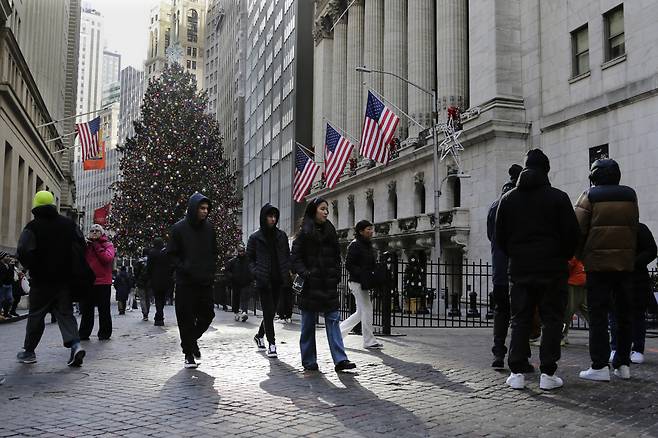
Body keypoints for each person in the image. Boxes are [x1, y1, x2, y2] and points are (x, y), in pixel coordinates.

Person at [495, 149, 580, 390]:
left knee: (520, 319)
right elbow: (573, 235)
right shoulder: (559, 198)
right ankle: (548, 373)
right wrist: (561, 256)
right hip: (552, 269)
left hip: (520, 269)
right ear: (547, 170)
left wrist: (516, 253)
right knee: (552, 320)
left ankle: (517, 372)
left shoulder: (509, 200)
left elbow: (499, 237)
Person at [575, 158, 639, 382]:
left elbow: (578, 230)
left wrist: (582, 255)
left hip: (598, 265)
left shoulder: (589, 196)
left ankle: (599, 365)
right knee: (623, 315)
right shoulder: (630, 195)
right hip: (624, 264)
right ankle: (623, 364)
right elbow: (633, 227)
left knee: (599, 316)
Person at [16, 191, 86, 366]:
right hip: (64, 280)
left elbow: (23, 250)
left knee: (36, 315)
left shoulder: (32, 227)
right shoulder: (69, 225)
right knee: (65, 314)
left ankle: (29, 351)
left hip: (41, 281)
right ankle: (76, 345)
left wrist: (32, 265)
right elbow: (81, 246)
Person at [291, 198, 356, 373]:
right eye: (322, 209)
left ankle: (340, 360)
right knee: (308, 325)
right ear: (314, 210)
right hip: (311, 286)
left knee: (333, 320)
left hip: (328, 285)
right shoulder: (304, 232)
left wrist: (335, 274)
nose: (326, 212)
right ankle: (309, 360)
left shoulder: (330, 230)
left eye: (327, 209)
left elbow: (336, 256)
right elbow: (295, 259)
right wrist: (306, 273)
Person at [167, 192, 218, 369]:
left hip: (204, 281)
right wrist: (184, 267)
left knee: (208, 315)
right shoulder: (178, 229)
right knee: (185, 318)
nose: (204, 212)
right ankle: (188, 353)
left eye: (206, 209)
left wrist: (211, 270)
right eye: (201, 208)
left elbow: (214, 252)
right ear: (193, 208)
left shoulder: (210, 228)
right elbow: (171, 254)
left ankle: (190, 340)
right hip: (185, 282)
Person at [487, 164, 522, 368]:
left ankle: (498, 354)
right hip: (518, 269)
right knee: (520, 314)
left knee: (501, 312)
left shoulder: (494, 205)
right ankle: (520, 356)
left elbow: (491, 236)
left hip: (499, 269)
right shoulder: (521, 202)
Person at [247, 203, 291, 358]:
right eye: (270, 216)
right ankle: (272, 343)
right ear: (263, 217)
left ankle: (259, 335)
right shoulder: (255, 237)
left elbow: (286, 256)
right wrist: (256, 272)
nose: (273, 219)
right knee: (268, 310)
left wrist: (286, 272)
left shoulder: (281, 236)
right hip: (264, 280)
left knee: (271, 312)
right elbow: (249, 259)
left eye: (274, 217)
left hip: (278, 280)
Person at [609, 222, 656, 364]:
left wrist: (633, 263)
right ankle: (616, 347)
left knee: (637, 315)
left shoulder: (639, 228)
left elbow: (651, 250)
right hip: (616, 276)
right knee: (615, 315)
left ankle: (637, 348)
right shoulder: (612, 228)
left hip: (636, 278)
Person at [339, 220, 383, 349]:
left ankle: (337, 334)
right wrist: (363, 274)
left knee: (360, 313)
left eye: (371, 228)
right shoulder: (355, 245)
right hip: (357, 282)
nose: (371, 231)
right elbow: (349, 265)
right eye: (368, 229)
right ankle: (369, 340)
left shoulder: (367, 245)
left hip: (363, 282)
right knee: (367, 310)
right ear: (360, 231)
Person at [79, 223, 116, 341]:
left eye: (97, 230)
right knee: (87, 310)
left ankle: (105, 333)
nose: (94, 232)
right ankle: (84, 333)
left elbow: (107, 258)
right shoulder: (86, 246)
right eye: (92, 230)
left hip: (103, 282)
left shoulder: (108, 245)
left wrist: (96, 246)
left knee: (104, 309)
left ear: (102, 233)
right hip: (88, 282)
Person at [146, 238, 173, 326]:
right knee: (162, 298)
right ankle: (159, 315)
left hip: (155, 279)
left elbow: (149, 267)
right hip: (166, 279)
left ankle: (159, 316)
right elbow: (171, 265)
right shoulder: (166, 253)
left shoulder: (152, 252)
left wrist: (149, 277)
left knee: (158, 298)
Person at [562, 257, 588, 345]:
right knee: (569, 311)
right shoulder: (577, 257)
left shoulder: (580, 256)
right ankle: (562, 335)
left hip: (581, 285)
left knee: (572, 311)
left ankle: (562, 335)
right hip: (574, 285)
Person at [225, 243, 253, 322]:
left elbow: (252, 268)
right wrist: (232, 277)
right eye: (240, 251)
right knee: (236, 298)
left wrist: (251, 277)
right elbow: (227, 270)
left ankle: (244, 312)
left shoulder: (248, 260)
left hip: (246, 282)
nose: (241, 253)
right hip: (236, 283)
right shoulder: (233, 261)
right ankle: (237, 313)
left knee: (244, 298)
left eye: (243, 251)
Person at [134, 249, 151, 321]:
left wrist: (136, 280)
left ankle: (145, 313)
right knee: (148, 298)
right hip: (149, 282)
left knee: (142, 298)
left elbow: (136, 273)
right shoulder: (150, 261)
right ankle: (147, 312)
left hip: (141, 282)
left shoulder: (139, 261)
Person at [0, 253, 14, 318]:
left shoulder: (9, 265)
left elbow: (11, 275)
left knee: (10, 299)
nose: (9, 258)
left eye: (9, 256)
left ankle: (6, 313)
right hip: (2, 285)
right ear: (2, 257)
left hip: (9, 285)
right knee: (1, 300)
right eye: (7, 256)